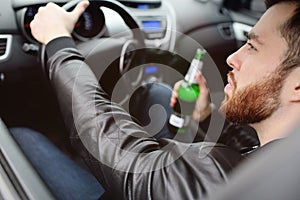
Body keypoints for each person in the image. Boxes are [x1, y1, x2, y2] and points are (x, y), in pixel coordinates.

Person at [27, 0, 300, 199]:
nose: (233, 58)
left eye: (253, 47)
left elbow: (115, 148)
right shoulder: (283, 159)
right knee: (156, 94)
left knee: (23, 137)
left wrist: (59, 43)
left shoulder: (223, 179)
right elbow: (251, 148)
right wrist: (204, 116)